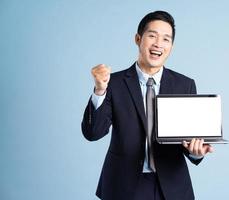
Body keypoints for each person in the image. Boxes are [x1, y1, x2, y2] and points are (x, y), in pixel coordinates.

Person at [81, 10, 213, 200]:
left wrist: (196, 152)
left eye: (166, 39)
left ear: (171, 47)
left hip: (172, 187)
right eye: (152, 36)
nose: (158, 44)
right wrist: (100, 90)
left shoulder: (185, 84)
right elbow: (93, 133)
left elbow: (188, 140)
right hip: (123, 186)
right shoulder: (114, 83)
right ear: (138, 39)